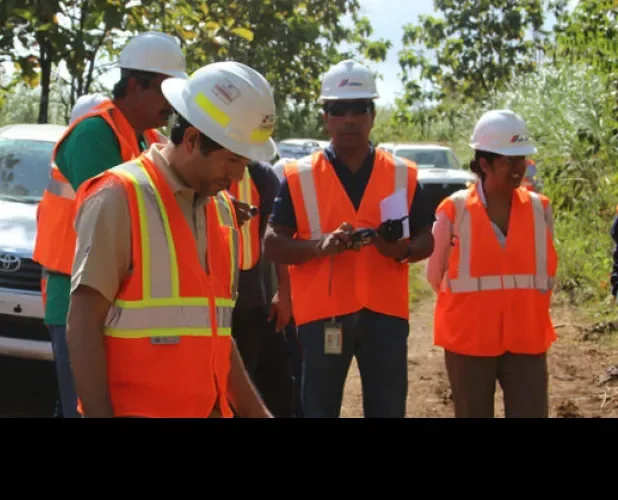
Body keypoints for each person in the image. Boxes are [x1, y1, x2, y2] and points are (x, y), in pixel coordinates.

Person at [67, 61, 278, 418]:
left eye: (244, 163)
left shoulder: (223, 209)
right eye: (231, 160)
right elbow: (83, 321)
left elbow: (218, 333)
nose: (238, 175)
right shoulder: (118, 197)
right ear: (193, 139)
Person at [263, 59, 436, 418]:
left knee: (388, 409)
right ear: (325, 117)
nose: (349, 118)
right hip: (322, 317)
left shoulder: (401, 173)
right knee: (318, 410)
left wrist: (401, 250)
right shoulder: (300, 175)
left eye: (359, 109)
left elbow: (427, 239)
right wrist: (318, 247)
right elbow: (272, 243)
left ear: (372, 114)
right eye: (338, 110)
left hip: (385, 316)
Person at [32, 31, 187, 418]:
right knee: (84, 406)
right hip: (76, 294)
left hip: (114, 295)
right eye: (166, 91)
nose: (172, 105)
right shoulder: (92, 134)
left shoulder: (146, 136)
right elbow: (122, 215)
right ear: (135, 85)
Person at [426, 109, 558, 418]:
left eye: (521, 158)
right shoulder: (454, 210)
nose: (518, 168)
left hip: (527, 338)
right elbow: (435, 276)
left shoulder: (541, 209)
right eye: (508, 160)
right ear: (483, 164)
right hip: (468, 340)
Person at [228, 160, 295, 417]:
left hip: (256, 304)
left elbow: (277, 237)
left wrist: (284, 292)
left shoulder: (260, 175)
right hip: (215, 307)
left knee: (269, 388)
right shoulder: (195, 173)